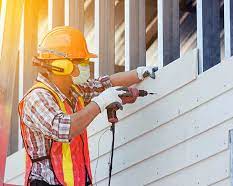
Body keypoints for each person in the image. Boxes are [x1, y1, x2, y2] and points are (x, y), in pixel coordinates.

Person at [18, 26, 158, 186]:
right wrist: (100, 102)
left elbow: (105, 84)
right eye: (81, 61)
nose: (86, 66)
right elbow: (64, 128)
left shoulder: (74, 91)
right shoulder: (37, 97)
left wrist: (138, 74)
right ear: (62, 65)